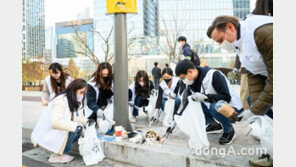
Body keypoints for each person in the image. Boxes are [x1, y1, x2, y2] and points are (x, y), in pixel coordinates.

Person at [206, 14, 273, 120]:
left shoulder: (262, 33)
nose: (221, 45)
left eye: (220, 40)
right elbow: (255, 76)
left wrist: (254, 111)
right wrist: (255, 111)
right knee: (252, 100)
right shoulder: (240, 47)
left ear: (230, 27)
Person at [175, 60, 243, 145]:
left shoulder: (213, 75)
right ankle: (215, 125)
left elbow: (226, 97)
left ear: (190, 71)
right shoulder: (191, 83)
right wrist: (179, 116)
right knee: (196, 105)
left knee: (215, 107)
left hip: (232, 109)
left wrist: (205, 97)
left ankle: (229, 130)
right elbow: (187, 102)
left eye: (183, 78)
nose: (183, 80)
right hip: (213, 106)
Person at [31, 79, 94, 163]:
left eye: (84, 93)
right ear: (74, 90)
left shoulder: (70, 99)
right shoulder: (61, 101)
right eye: (81, 92)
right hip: (48, 132)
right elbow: (55, 122)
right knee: (75, 129)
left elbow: (73, 117)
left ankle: (60, 152)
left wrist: (86, 121)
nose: (82, 95)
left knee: (80, 131)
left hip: (55, 129)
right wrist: (76, 126)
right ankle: (55, 155)